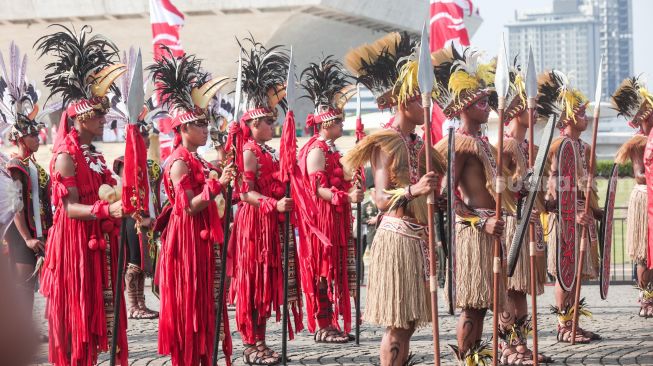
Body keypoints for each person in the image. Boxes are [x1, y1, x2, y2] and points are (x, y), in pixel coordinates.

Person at [343, 32, 446, 366]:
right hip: (397, 238)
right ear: (405, 102)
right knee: (398, 324)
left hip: (418, 239)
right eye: (421, 100)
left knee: (411, 323)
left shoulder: (419, 143)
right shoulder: (386, 141)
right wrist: (414, 191)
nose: (428, 108)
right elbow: (381, 198)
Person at [35, 24, 129, 365]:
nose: (105, 119)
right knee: (77, 316)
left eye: (104, 112)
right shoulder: (65, 156)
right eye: (99, 114)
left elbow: (110, 191)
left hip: (96, 243)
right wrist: (107, 211)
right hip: (75, 244)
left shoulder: (95, 154)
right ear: (79, 118)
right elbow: (70, 208)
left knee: (98, 315)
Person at [148, 46, 234, 366]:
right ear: (183, 128)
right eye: (200, 124)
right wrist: (217, 185)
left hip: (199, 242)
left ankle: (202, 357)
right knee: (190, 306)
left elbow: (210, 199)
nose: (205, 129)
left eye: (205, 123)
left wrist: (226, 189)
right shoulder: (179, 163)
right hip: (185, 244)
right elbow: (187, 207)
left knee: (205, 304)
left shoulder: (197, 160)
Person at [432, 46, 514, 364]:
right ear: (465, 107)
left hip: (492, 230)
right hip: (475, 231)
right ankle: (466, 360)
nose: (489, 107)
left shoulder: (484, 143)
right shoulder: (460, 145)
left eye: (488, 101)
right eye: (482, 102)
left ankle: (476, 358)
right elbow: (446, 196)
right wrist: (481, 222)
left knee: (485, 303)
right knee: (473, 304)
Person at [228, 37, 302, 365]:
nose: (273, 124)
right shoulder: (248, 151)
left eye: (274, 120)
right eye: (269, 121)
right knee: (253, 282)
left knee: (266, 283)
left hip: (270, 223)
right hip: (254, 223)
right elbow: (244, 193)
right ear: (254, 123)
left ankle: (259, 339)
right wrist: (273, 204)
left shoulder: (267, 151)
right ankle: (250, 342)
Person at [490, 64, 553, 364]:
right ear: (516, 109)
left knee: (523, 292)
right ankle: (508, 347)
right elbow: (498, 189)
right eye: (531, 105)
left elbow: (539, 192)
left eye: (538, 105)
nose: (536, 110)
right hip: (513, 222)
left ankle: (522, 346)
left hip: (531, 223)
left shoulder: (533, 146)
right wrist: (519, 182)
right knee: (510, 290)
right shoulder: (501, 145)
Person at [297, 56, 363, 343]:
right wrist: (345, 195)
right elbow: (318, 189)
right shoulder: (316, 151)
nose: (342, 124)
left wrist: (352, 181)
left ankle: (332, 322)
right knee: (323, 272)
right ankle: (323, 325)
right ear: (326, 123)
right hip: (321, 223)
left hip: (336, 218)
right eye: (338, 121)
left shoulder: (332, 149)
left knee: (336, 271)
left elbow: (340, 178)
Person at [539, 70, 603, 344]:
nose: (585, 117)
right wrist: (569, 212)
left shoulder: (585, 148)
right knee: (565, 274)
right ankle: (563, 325)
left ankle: (573, 321)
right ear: (567, 118)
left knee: (577, 275)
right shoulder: (558, 146)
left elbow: (588, 188)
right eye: (580, 112)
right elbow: (552, 185)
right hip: (564, 218)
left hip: (582, 217)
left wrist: (597, 211)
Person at [0, 42, 52, 342]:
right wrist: (28, 236)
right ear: (20, 137)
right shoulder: (17, 165)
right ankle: (17, 330)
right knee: (22, 279)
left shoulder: (29, 163)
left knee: (30, 281)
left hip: (35, 227)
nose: (37, 137)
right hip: (20, 233)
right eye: (33, 134)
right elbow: (17, 204)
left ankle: (27, 328)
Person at [612, 77, 653, 317]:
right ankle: (646, 297)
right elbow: (639, 175)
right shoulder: (638, 142)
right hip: (645, 199)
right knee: (644, 253)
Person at [112, 122, 160, 320]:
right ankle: (132, 304)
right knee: (135, 261)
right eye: (141, 134)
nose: (146, 138)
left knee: (144, 262)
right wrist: (141, 217)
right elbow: (128, 192)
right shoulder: (125, 161)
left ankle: (142, 302)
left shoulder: (153, 164)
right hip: (134, 218)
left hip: (150, 217)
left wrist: (155, 217)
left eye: (146, 134)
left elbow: (156, 193)